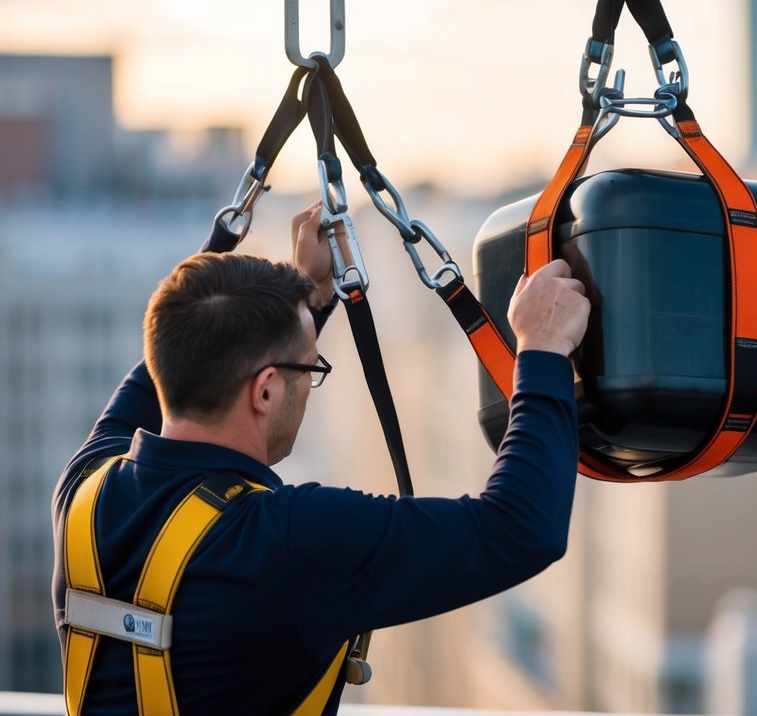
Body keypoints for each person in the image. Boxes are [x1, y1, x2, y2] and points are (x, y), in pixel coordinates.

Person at [51, 202, 590, 715]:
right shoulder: (290, 542)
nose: (310, 386)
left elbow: (181, 348)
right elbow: (521, 528)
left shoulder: (82, 493)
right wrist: (541, 348)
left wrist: (301, 295)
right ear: (264, 392)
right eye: (311, 369)